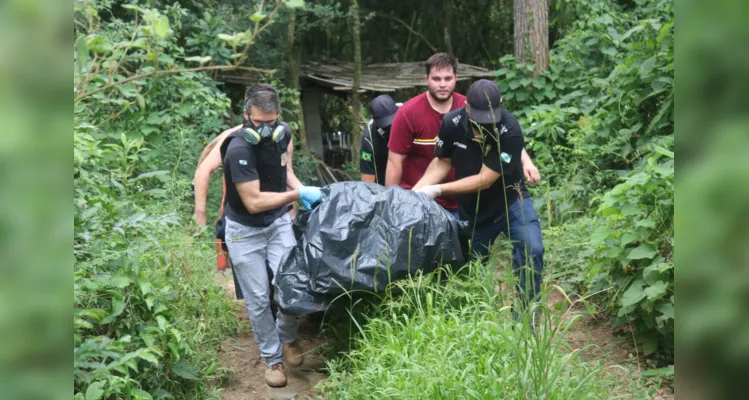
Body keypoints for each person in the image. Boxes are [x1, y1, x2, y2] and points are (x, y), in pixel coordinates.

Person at [219, 84, 322, 388]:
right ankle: (272, 358)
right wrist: (295, 195)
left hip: (277, 222)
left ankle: (288, 339)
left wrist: (300, 191)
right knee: (258, 299)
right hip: (244, 230)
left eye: (271, 122)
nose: (266, 130)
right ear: (245, 115)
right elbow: (253, 201)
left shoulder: (284, 135)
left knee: (290, 285)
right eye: (259, 123)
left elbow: (284, 171)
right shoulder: (238, 148)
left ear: (279, 117)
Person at [413, 79, 544, 307]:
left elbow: (485, 180)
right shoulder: (451, 123)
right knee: (470, 269)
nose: (482, 125)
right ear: (466, 107)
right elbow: (443, 161)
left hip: (511, 202)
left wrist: (437, 189)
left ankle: (526, 317)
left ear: (500, 104)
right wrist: (416, 193)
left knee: (532, 250)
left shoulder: (510, 131)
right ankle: (476, 318)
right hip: (473, 211)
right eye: (477, 117)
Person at [385, 53, 540, 217]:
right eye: (436, 79)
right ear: (426, 79)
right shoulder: (407, 114)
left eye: (448, 78)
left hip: (464, 198)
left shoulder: (474, 107)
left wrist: (525, 160)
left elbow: (506, 136)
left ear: (456, 78)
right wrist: (392, 203)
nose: (443, 84)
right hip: (420, 198)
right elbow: (395, 162)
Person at [360, 95, 399, 184]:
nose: (390, 127)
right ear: (373, 119)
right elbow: (367, 181)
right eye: (386, 125)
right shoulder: (368, 138)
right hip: (382, 182)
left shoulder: (408, 120)